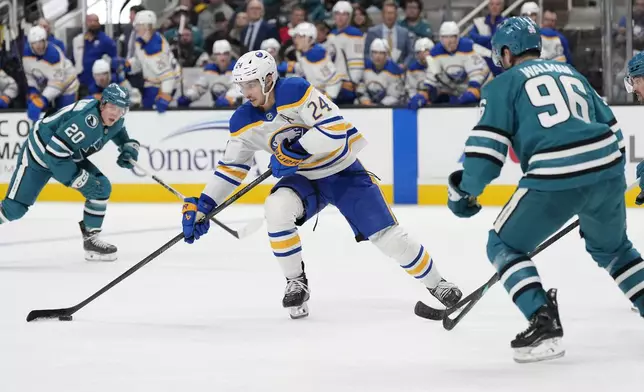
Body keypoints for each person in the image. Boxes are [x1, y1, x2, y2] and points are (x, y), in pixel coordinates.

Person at [180, 50, 463, 319]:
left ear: (268, 79)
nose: (246, 92)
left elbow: (335, 129)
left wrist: (295, 150)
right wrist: (205, 205)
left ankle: (438, 284)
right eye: (242, 85)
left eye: (251, 84)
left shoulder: (295, 91)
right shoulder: (242, 119)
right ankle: (296, 283)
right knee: (276, 208)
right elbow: (231, 168)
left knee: (389, 237)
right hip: (304, 180)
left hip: (341, 171)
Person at [447, 16, 642, 364]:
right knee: (615, 251)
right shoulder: (574, 74)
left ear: (506, 53)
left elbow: (485, 155)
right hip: (607, 168)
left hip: (555, 173)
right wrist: (596, 196)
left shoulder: (503, 85)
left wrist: (464, 192)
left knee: (503, 244)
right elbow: (614, 132)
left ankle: (543, 321)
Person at [0, 84, 138, 261]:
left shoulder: (114, 119)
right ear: (103, 104)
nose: (116, 113)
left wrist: (127, 146)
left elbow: (116, 130)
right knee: (14, 208)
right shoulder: (86, 121)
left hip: (65, 153)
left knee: (100, 188)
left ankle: (91, 240)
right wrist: (79, 180)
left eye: (121, 109)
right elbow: (54, 155)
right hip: (40, 155)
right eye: (112, 107)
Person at [408, 21, 491, 108]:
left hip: (484, 87)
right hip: (459, 90)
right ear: (440, 38)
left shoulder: (467, 47)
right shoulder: (435, 53)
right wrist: (422, 94)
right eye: (445, 37)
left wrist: (473, 90)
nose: (449, 41)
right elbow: (431, 78)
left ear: (458, 37)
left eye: (452, 36)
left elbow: (477, 74)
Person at [124, 10, 181, 113]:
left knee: (151, 113)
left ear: (148, 27)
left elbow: (168, 76)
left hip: (165, 86)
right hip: (152, 83)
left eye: (139, 25)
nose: (136, 29)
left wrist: (165, 95)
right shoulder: (142, 42)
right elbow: (141, 62)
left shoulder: (155, 48)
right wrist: (129, 65)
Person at [23, 26, 79, 122]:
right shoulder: (26, 54)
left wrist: (43, 100)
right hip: (47, 85)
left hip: (67, 85)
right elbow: (30, 75)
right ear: (30, 44)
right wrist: (33, 91)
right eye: (35, 43)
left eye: (41, 41)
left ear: (45, 40)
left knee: (64, 116)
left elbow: (57, 83)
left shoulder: (54, 55)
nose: (38, 46)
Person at [279, 22, 343, 101]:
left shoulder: (316, 55)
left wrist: (326, 99)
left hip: (321, 101)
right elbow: (307, 69)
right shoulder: (305, 52)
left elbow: (335, 80)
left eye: (297, 36)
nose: (294, 40)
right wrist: (292, 67)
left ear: (308, 38)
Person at [177, 40, 241, 108]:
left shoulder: (238, 69)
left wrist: (229, 99)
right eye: (218, 54)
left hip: (236, 108)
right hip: (218, 108)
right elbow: (199, 88)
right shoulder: (210, 70)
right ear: (214, 56)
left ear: (230, 55)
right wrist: (188, 97)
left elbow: (238, 88)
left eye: (225, 54)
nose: (222, 57)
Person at [327, 1, 365, 105]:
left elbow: (357, 61)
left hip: (346, 84)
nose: (340, 17)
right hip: (333, 83)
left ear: (349, 16)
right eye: (337, 13)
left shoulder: (354, 34)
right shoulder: (331, 35)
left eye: (344, 14)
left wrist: (353, 82)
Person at [70, 14, 117, 93]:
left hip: (100, 85)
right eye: (90, 21)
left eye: (95, 21)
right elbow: (73, 59)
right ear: (85, 23)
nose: (93, 23)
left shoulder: (106, 41)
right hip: (82, 84)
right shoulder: (79, 40)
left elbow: (115, 61)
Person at [364, 0, 415, 66]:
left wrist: (404, 65)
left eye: (392, 13)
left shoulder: (404, 32)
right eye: (387, 13)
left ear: (396, 15)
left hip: (399, 71)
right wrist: (375, 64)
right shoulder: (372, 32)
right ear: (382, 15)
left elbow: (410, 54)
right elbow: (366, 54)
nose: (389, 16)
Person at [358, 39, 404, 106]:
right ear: (371, 54)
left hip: (387, 107)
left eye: (381, 53)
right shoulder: (365, 68)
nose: (378, 56)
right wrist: (365, 100)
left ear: (386, 55)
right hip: (367, 104)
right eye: (375, 52)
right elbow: (360, 89)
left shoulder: (394, 70)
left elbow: (394, 96)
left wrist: (379, 106)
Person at [469, 0, 506, 75]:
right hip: (482, 64)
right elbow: (472, 38)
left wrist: (482, 40)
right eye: (492, 4)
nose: (494, 7)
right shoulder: (479, 22)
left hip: (500, 66)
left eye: (497, 4)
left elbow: (501, 42)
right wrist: (491, 39)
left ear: (502, 7)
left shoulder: (507, 22)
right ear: (488, 6)